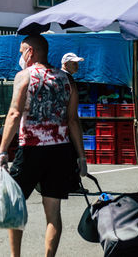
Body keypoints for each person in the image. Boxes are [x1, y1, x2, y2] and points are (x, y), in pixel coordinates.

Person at [0, 35, 87, 257]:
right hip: (61, 151)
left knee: (15, 206)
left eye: (21, 52)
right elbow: (73, 120)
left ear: (30, 52)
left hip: (31, 150)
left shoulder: (24, 76)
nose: (20, 56)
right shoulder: (67, 80)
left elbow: (14, 113)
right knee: (53, 213)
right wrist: (81, 157)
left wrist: (2, 151)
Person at [61, 52, 88, 194]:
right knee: (72, 153)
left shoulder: (59, 77)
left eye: (77, 63)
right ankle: (73, 185)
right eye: (74, 63)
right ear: (65, 64)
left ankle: (68, 183)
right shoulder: (68, 79)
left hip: (60, 123)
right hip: (67, 122)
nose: (77, 66)